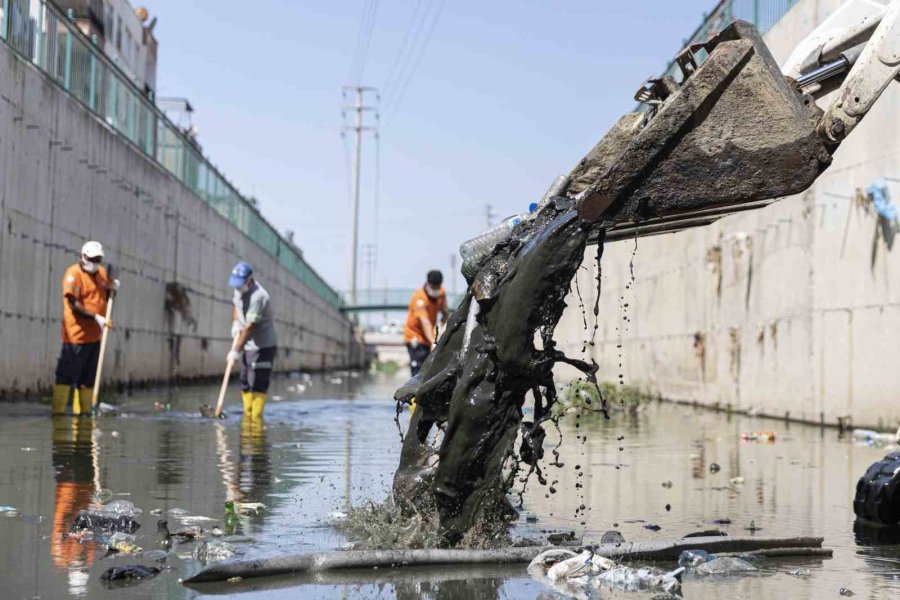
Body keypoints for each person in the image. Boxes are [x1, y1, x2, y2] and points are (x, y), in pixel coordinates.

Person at [52, 241, 118, 415]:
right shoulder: (73, 275)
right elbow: (73, 304)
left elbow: (107, 292)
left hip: (95, 337)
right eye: (92, 259)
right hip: (76, 337)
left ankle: (84, 413)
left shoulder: (101, 273)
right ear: (83, 256)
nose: (95, 262)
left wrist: (113, 288)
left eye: (98, 259)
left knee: (87, 379)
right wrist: (96, 317)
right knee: (66, 376)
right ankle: (58, 413)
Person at [228, 262, 277, 419]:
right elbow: (235, 306)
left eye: (240, 284)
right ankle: (247, 414)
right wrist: (236, 323)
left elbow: (250, 327)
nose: (237, 288)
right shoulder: (239, 290)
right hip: (246, 343)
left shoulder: (259, 296)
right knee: (245, 380)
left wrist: (235, 350)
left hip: (262, 346)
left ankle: (255, 419)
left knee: (257, 382)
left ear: (249, 279)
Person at [403, 270, 449, 376]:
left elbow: (445, 313)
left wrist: (440, 326)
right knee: (418, 368)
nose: (436, 290)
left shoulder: (441, 294)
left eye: (438, 287)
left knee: (429, 369)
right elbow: (425, 322)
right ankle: (414, 391)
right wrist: (433, 341)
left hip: (429, 337)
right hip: (415, 336)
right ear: (428, 284)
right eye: (434, 288)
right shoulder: (419, 298)